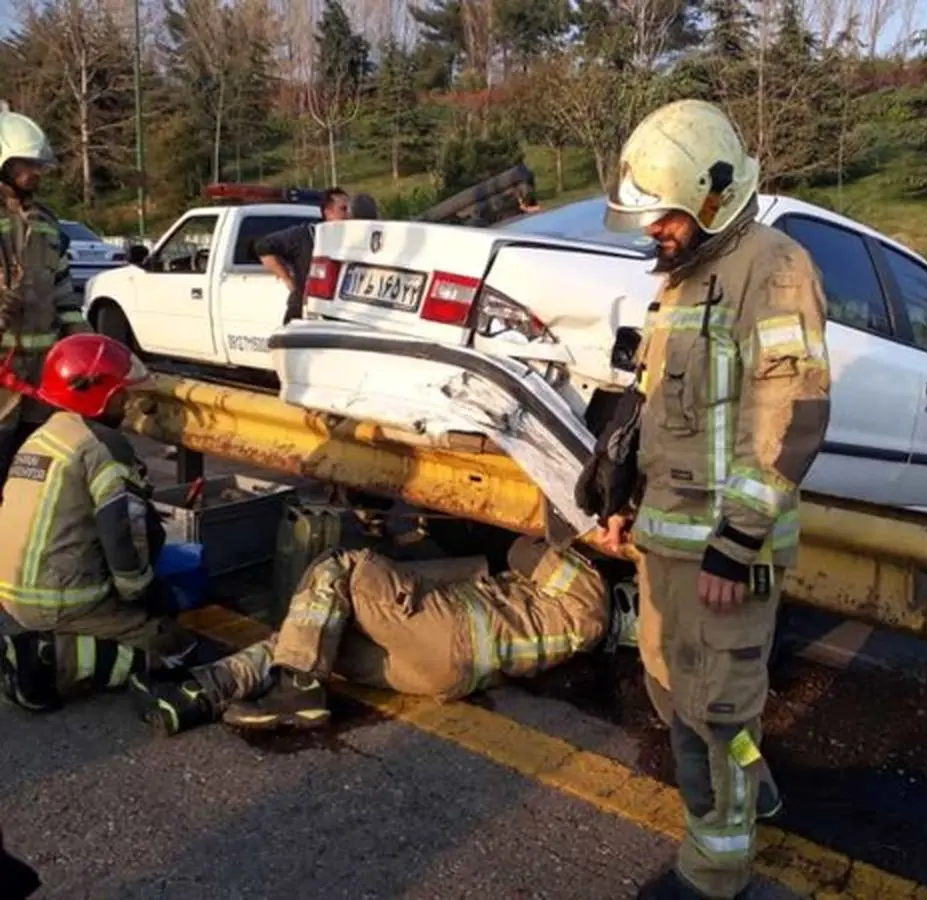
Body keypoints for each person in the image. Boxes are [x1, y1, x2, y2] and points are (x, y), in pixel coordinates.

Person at [579, 99, 832, 900]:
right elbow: (661, 410)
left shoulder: (775, 268)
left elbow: (792, 411)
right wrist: (623, 495)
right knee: (668, 692)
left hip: (724, 553)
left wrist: (738, 539)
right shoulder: (683, 288)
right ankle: (751, 794)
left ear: (713, 198)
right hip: (666, 542)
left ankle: (715, 872)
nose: (654, 233)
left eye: (666, 217)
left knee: (717, 713)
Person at [130, 535, 641, 736]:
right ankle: (206, 690)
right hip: (438, 672)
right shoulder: (580, 628)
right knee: (316, 634)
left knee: (340, 567)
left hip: (450, 631)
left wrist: (573, 537)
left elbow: (522, 551)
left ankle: (298, 690)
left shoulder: (589, 591)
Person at [0, 334, 195, 713]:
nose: (127, 404)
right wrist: (142, 592)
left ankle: (54, 641)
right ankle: (45, 661)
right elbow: (121, 531)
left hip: (12, 589)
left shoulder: (47, 433)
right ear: (97, 393)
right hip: (59, 598)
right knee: (175, 648)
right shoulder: (103, 445)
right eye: (121, 394)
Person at [0, 108, 92, 492]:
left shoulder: (45, 222)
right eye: (26, 164)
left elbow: (62, 288)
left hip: (42, 378)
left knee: (34, 473)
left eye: (38, 164)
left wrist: (86, 339)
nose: (35, 172)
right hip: (2, 376)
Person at [254, 187, 351, 324]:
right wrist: (287, 279)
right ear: (327, 212)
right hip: (302, 311)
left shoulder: (352, 240)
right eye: (343, 209)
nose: (349, 214)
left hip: (335, 312)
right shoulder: (305, 235)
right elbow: (263, 247)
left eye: (350, 209)